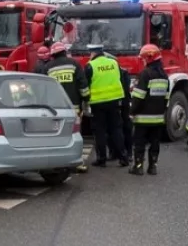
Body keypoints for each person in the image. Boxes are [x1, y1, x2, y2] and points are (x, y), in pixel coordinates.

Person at [45, 42, 90, 172]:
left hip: (54, 109)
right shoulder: (74, 64)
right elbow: (83, 84)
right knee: (75, 135)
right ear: (64, 52)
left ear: (52, 54)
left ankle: (57, 162)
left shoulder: (48, 67)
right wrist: (86, 99)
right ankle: (78, 162)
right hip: (73, 108)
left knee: (56, 136)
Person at [84, 44, 128, 167]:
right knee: (116, 130)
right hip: (114, 101)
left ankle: (101, 159)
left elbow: (85, 86)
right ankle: (123, 157)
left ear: (92, 53)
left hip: (98, 103)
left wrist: (85, 101)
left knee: (100, 132)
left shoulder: (90, 66)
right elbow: (120, 78)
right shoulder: (113, 63)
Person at [129, 44, 169, 176]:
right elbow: (166, 98)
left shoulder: (145, 74)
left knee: (139, 143)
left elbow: (139, 96)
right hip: (158, 117)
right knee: (155, 143)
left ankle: (138, 167)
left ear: (149, 58)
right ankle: (153, 167)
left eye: (144, 58)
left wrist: (132, 111)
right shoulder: (164, 76)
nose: (143, 60)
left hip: (142, 117)